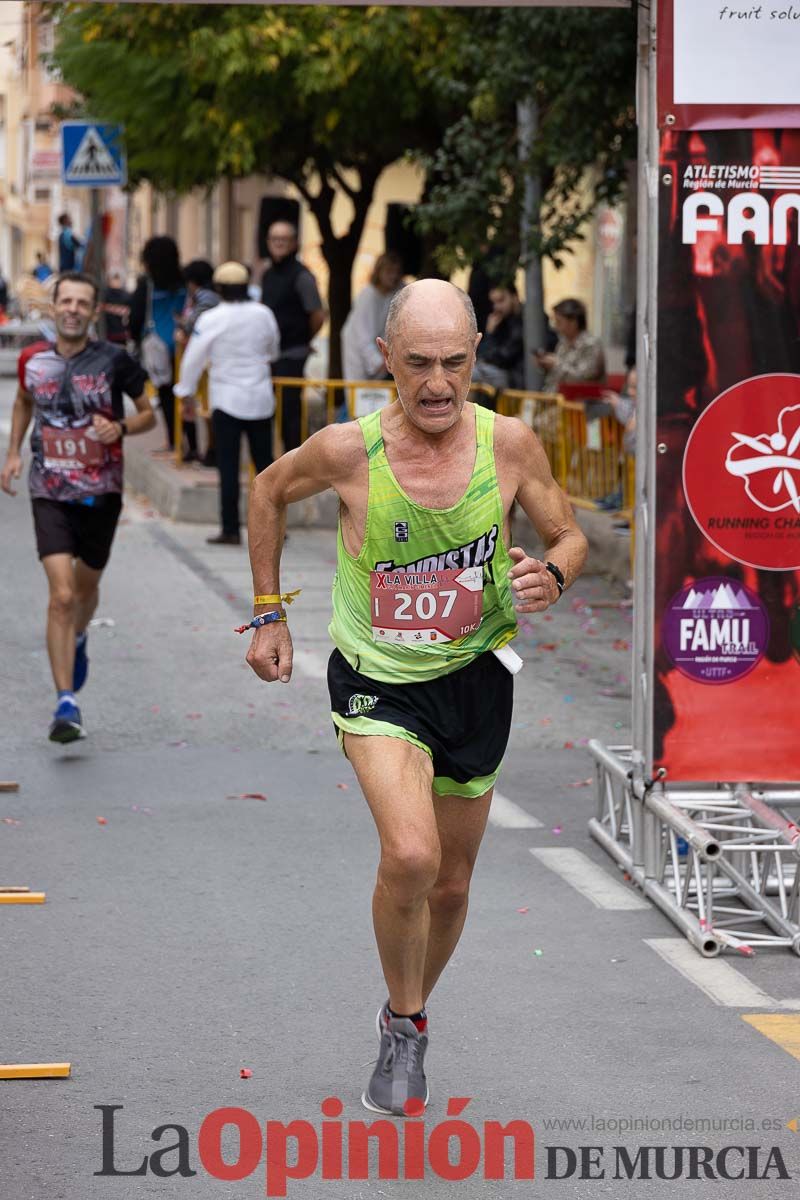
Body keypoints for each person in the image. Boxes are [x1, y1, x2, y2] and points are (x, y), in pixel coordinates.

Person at [244, 279, 587, 1114]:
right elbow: (265, 492)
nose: (438, 384)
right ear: (385, 359)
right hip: (376, 679)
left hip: (474, 679)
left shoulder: (508, 444)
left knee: (453, 886)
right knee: (412, 854)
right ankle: (405, 1021)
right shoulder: (346, 450)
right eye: (420, 364)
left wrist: (553, 575)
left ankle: (406, 1016)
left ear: (476, 360)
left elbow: (568, 534)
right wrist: (266, 615)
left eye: (456, 363)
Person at [0, 272, 154, 743]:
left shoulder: (115, 361)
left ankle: (80, 636)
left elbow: (150, 411)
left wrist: (122, 429)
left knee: (86, 589)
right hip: (48, 489)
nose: (71, 308)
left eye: (81, 302)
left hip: (100, 492)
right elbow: (25, 402)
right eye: (64, 300)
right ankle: (66, 703)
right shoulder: (32, 360)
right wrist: (12, 454)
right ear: (54, 306)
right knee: (62, 595)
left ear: (92, 311)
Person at [174, 262, 280, 546]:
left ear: (218, 289)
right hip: (260, 398)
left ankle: (231, 529)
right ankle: (276, 530)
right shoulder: (263, 313)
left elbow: (193, 357)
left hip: (226, 400)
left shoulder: (212, 318)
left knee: (229, 468)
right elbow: (274, 349)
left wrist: (185, 391)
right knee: (266, 468)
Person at [260, 221, 325, 452]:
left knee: (290, 411)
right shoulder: (267, 274)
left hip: (293, 352)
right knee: (272, 409)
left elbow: (318, 314)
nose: (279, 244)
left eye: (284, 239)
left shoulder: (302, 276)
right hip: (271, 354)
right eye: (274, 239)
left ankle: (294, 460)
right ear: (268, 242)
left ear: (294, 243)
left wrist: (304, 338)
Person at [128, 236, 186, 453]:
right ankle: (189, 443)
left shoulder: (147, 284)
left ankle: (173, 442)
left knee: (166, 395)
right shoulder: (183, 281)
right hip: (183, 344)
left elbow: (136, 316)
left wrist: (135, 338)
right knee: (186, 393)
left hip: (158, 344)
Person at [342, 252, 404, 381]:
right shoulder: (368, 296)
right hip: (356, 350)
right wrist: (377, 362)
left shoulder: (399, 291)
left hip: (378, 350)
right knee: (359, 393)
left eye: (396, 272)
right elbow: (362, 336)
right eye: (389, 272)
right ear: (379, 272)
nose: (393, 276)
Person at [535, 297, 605, 393]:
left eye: (559, 322)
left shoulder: (591, 344)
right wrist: (546, 366)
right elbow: (555, 377)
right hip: (556, 398)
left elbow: (585, 377)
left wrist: (556, 364)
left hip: (581, 402)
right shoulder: (562, 344)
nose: (555, 326)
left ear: (573, 322)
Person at [471, 283, 525, 391]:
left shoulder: (524, 320)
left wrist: (490, 336)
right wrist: (490, 332)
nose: (497, 307)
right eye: (494, 302)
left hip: (515, 378)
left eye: (501, 301)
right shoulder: (501, 320)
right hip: (502, 373)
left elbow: (503, 357)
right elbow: (482, 354)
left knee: (471, 374)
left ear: (514, 297)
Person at [100, 271, 131, 346]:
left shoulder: (104, 294)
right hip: (112, 332)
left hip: (117, 333)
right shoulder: (105, 294)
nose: (116, 283)